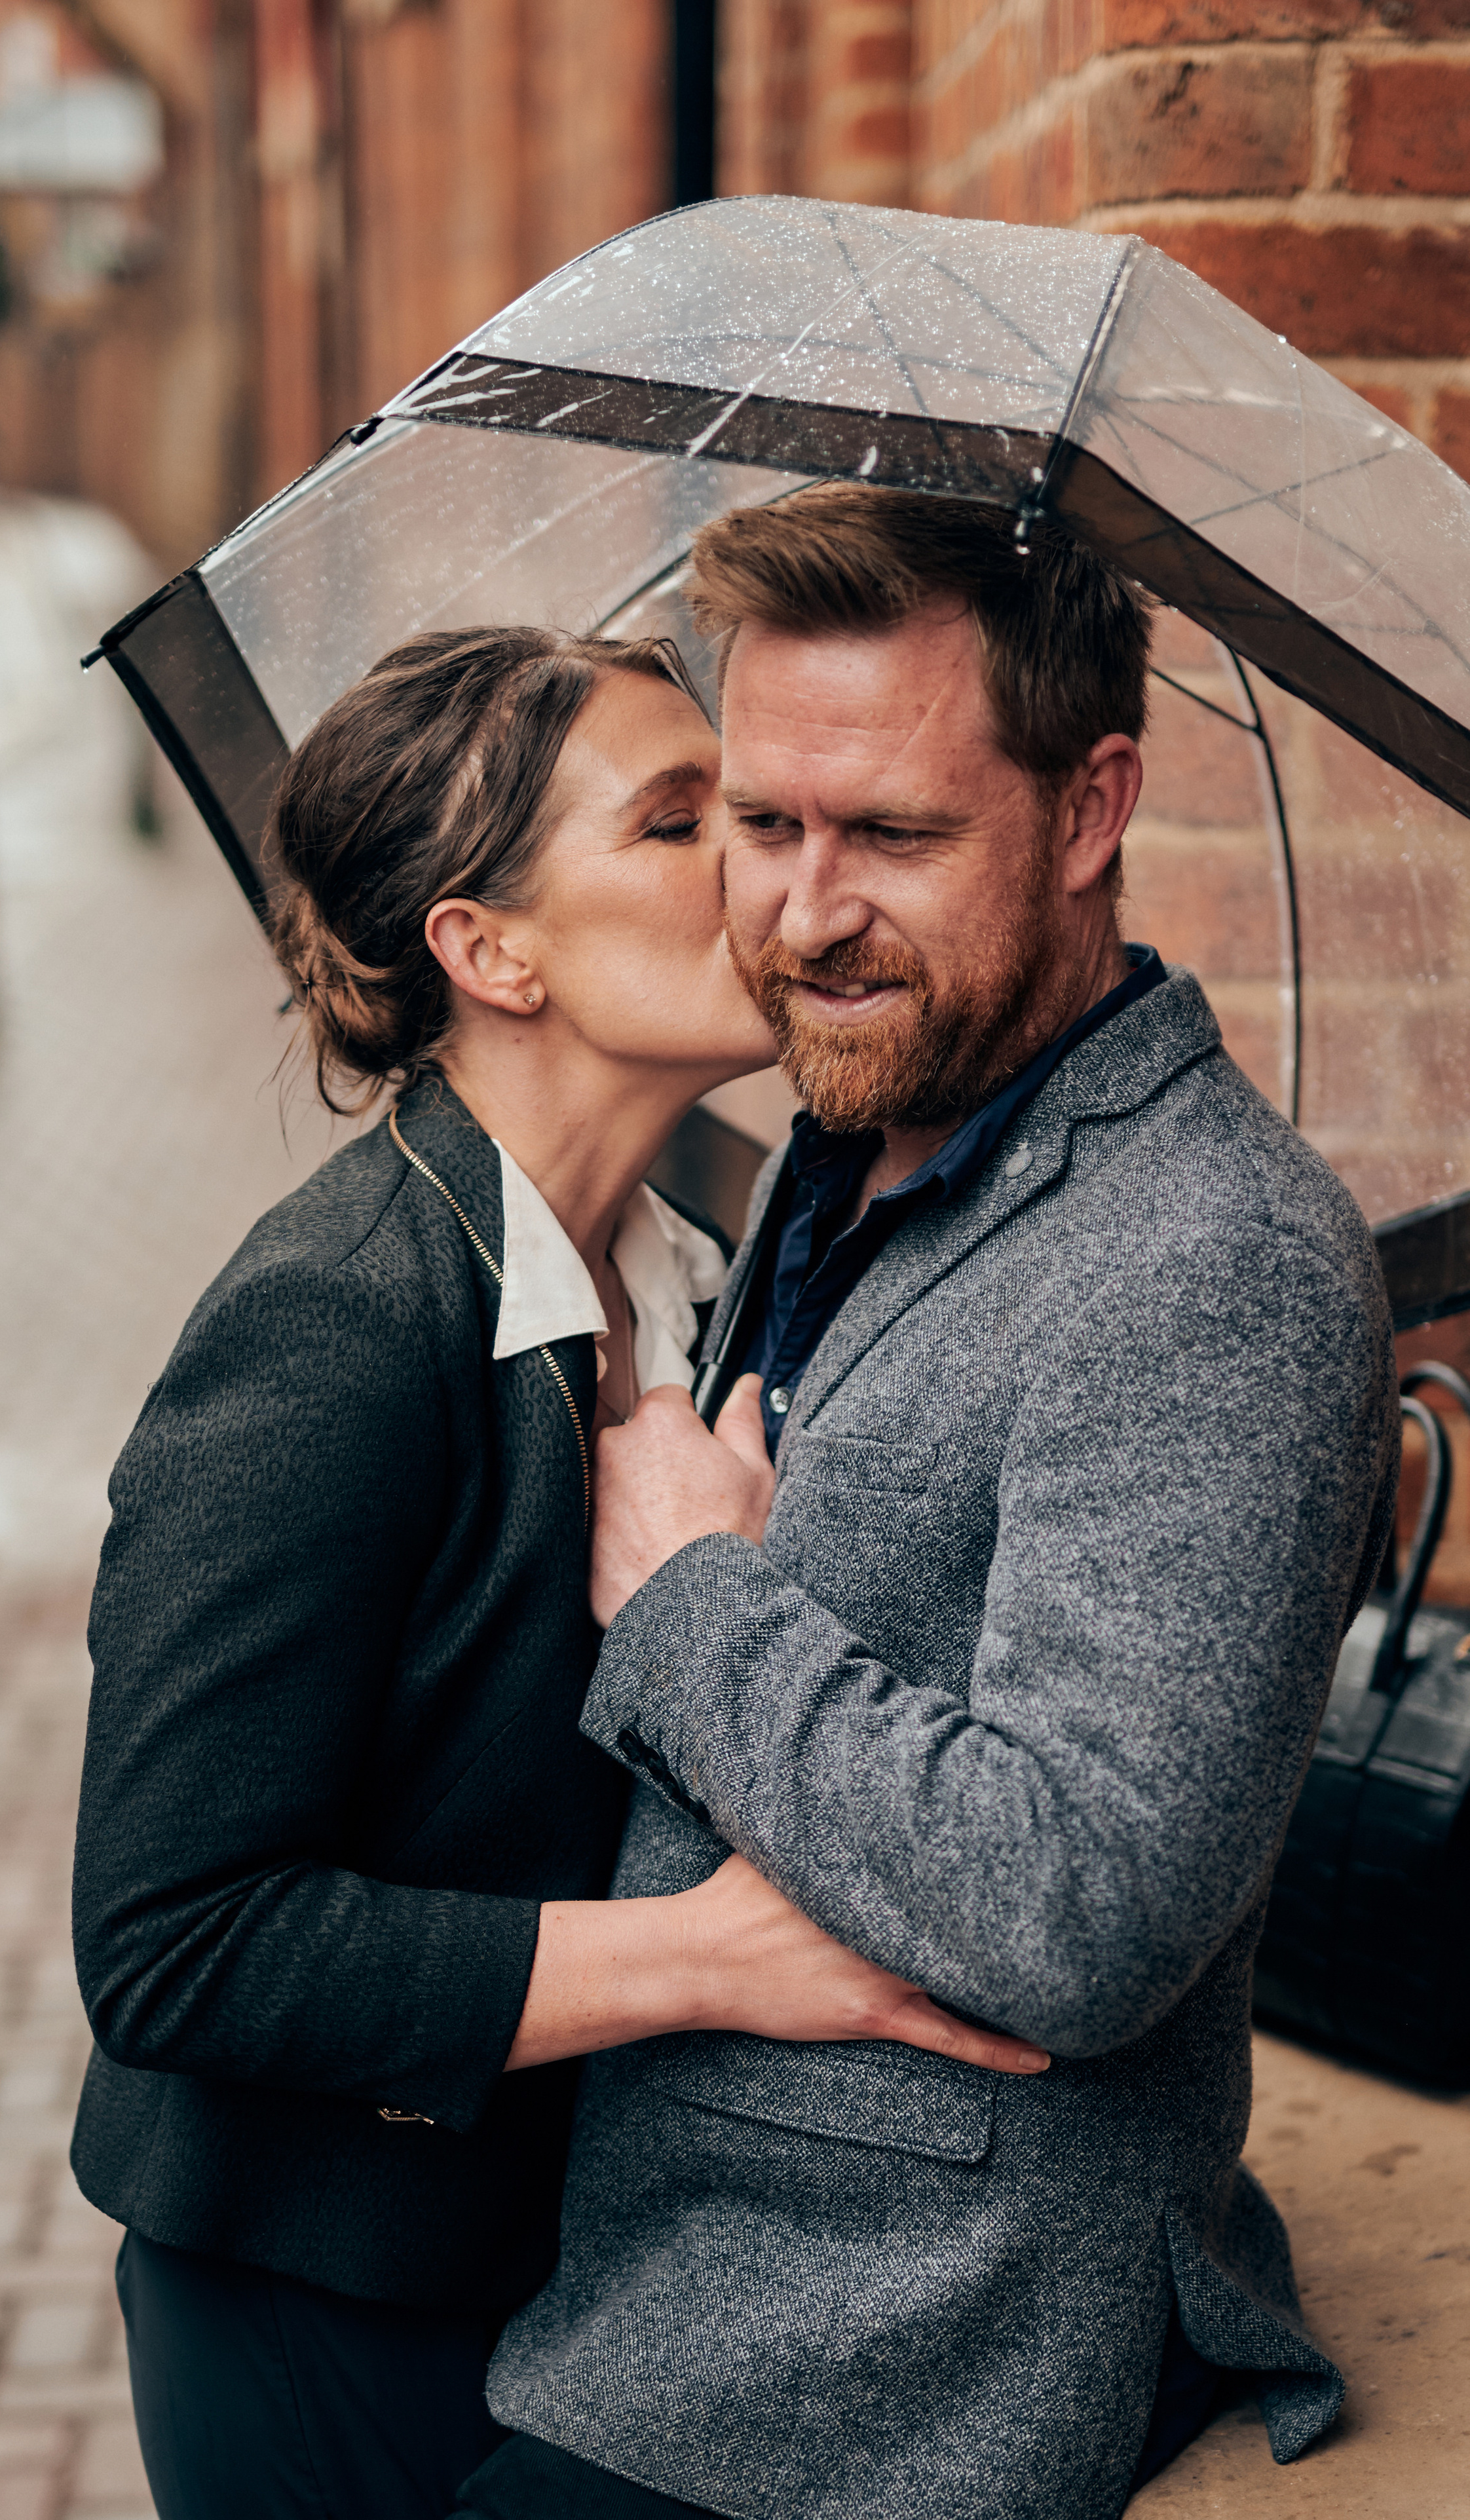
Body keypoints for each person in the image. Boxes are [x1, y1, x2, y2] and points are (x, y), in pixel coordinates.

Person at [466, 493, 1401, 2520]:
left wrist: (699, 1597)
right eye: (764, 824)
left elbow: (1080, 1908)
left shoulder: (1213, 1264)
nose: (804, 915)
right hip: (649, 2252)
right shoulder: (864, 1134)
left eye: (892, 837)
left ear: (1091, 810)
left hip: (901, 2359)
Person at [68, 624, 1050, 2520]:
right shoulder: (335, 1331)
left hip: (592, 2272)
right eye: (683, 820)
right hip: (319, 2296)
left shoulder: (728, 1276)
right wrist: (715, 1965)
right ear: (489, 950)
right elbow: (174, 1942)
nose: (763, 867)